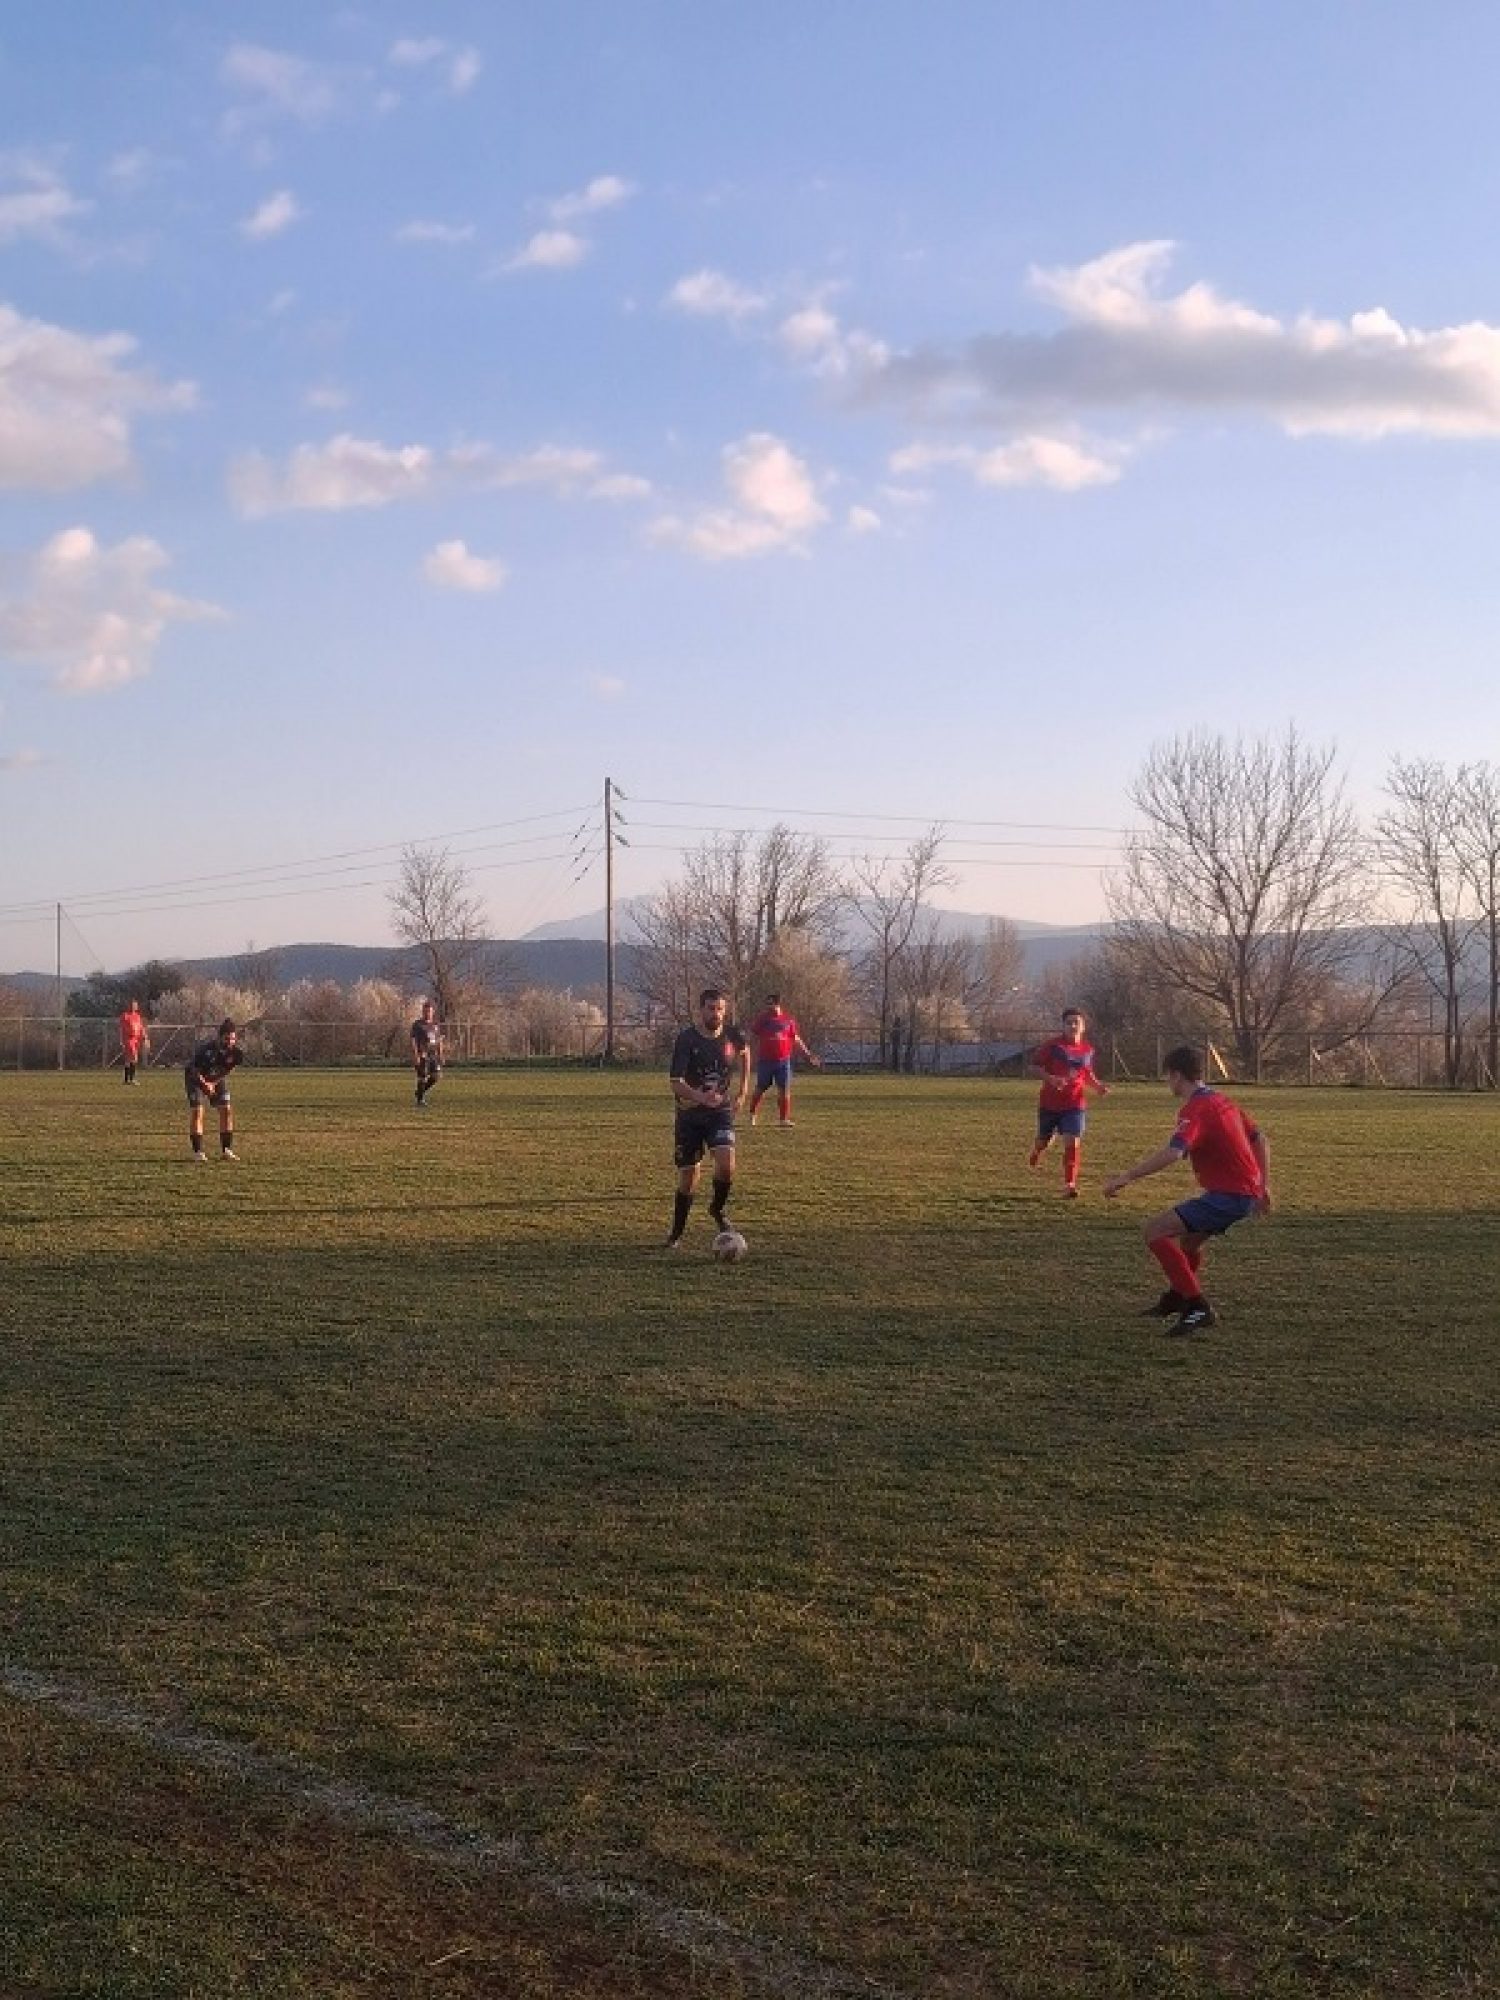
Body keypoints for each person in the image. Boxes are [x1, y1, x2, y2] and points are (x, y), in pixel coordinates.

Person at [1103, 1044, 1272, 1335]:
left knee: (1155, 1231)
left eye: (1168, 1076)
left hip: (1229, 1196)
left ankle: (1197, 1307)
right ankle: (1177, 1297)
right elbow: (1260, 1139)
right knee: (1190, 1243)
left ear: (1177, 1075)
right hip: (1241, 1193)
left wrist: (1127, 1176)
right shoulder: (1223, 1101)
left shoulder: (1195, 1110)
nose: (1168, 1082)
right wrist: (1263, 1185)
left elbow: (1174, 1152)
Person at [665, 987, 750, 1248]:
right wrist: (700, 1097)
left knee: (727, 1164)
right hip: (689, 1115)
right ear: (701, 1010)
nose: (716, 1014)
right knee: (689, 1178)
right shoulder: (687, 1040)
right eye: (711, 1009)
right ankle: (676, 1233)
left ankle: (717, 1209)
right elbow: (675, 1082)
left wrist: (742, 1092)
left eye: (720, 1009)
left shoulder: (733, 1036)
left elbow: (745, 1054)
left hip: (719, 1112)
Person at [1027, 1006, 1109, 1198]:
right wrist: (1051, 1079)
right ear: (1063, 1026)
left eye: (1076, 1022)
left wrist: (1097, 1086)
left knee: (1072, 1141)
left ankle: (1069, 1184)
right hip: (1049, 1103)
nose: (1072, 1026)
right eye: (1069, 1023)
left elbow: (1086, 1073)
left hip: (1074, 1104)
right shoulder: (1052, 1046)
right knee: (1044, 1141)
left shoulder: (1087, 1050)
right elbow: (1033, 1067)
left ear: (1083, 1026)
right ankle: (1037, 1150)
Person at [747, 993, 820, 1127]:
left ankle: (783, 1119)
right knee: (761, 1087)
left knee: (784, 1089)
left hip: (783, 1061)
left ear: (778, 1004)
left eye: (771, 1003)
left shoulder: (788, 1020)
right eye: (767, 1003)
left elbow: (795, 1038)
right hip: (765, 1060)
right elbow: (752, 1035)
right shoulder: (762, 1019)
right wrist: (746, 1051)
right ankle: (752, 1114)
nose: (768, 1006)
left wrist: (807, 1054)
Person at [184, 1018, 243, 1162]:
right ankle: (198, 1152)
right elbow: (194, 1071)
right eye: (227, 1038)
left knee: (226, 1110)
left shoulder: (236, 1053)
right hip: (195, 1079)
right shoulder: (206, 1050)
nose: (230, 1042)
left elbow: (227, 1070)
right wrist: (205, 1085)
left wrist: (214, 1083)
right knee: (198, 1111)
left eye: (233, 1039)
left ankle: (226, 1150)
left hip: (215, 1078)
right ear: (220, 1037)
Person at [411, 999, 444, 1108]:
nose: (427, 1013)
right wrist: (416, 1055)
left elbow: (439, 1040)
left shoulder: (435, 1025)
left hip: (433, 1055)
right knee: (422, 1076)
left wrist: (441, 1054)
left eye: (429, 1011)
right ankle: (420, 1101)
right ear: (422, 1011)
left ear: (432, 1012)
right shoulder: (417, 1024)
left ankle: (419, 1092)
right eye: (425, 1011)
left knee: (436, 1077)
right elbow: (413, 1040)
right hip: (423, 1054)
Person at [118, 998, 149, 1085]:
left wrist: (145, 1038)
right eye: (132, 1005)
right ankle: (132, 1079)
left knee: (129, 1060)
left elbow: (141, 1028)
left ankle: (126, 1080)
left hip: (136, 1039)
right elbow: (122, 1029)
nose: (133, 1007)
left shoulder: (137, 1016)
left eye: (135, 1005)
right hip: (128, 1039)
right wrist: (121, 1040)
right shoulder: (125, 1016)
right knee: (134, 1058)